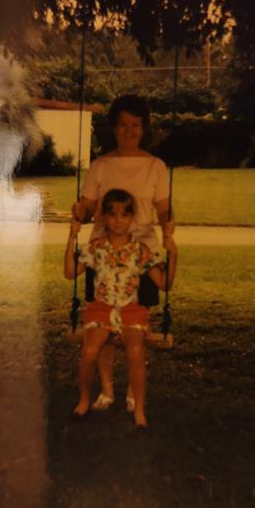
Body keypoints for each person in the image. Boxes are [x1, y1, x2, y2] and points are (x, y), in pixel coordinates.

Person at [71, 94, 174, 412]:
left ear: (144, 128)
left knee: (135, 328)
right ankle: (106, 389)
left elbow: (163, 209)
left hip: (141, 257)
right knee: (100, 328)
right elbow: (88, 207)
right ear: (114, 128)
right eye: (123, 125)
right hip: (103, 256)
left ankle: (132, 391)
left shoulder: (156, 166)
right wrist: (80, 212)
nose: (130, 131)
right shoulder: (100, 166)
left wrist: (168, 223)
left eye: (136, 125)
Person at [64, 188, 178, 427]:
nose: (118, 220)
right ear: (104, 217)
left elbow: (164, 284)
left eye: (125, 214)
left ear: (132, 218)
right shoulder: (96, 248)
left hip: (130, 309)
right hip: (101, 307)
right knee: (90, 351)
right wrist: (72, 236)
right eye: (112, 214)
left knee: (136, 351)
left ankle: (139, 409)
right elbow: (70, 272)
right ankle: (84, 400)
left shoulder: (140, 250)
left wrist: (173, 252)